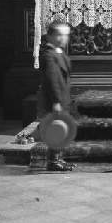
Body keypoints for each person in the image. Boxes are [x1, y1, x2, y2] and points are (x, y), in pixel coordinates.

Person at [37, 20, 75, 172]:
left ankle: (58, 158)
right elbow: (52, 80)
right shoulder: (48, 54)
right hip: (55, 98)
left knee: (60, 128)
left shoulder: (58, 51)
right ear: (50, 36)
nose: (64, 38)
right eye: (60, 35)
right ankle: (53, 161)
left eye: (66, 35)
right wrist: (56, 101)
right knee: (56, 129)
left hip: (61, 97)